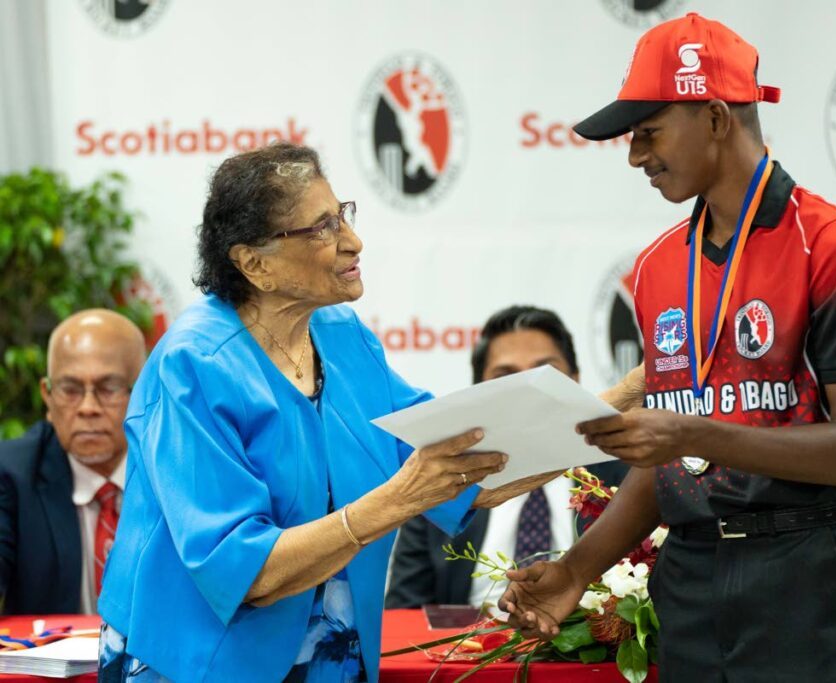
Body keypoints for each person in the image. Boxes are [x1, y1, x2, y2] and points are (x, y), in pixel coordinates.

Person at [500, 13, 836, 681]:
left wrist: (697, 431)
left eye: (648, 132)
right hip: (690, 581)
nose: (634, 155)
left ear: (715, 118)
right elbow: (669, 461)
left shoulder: (831, 245)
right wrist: (575, 568)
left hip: (806, 576)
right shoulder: (658, 267)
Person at [96, 142, 549, 683]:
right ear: (254, 264)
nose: (353, 241)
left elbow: (464, 465)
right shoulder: (192, 365)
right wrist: (399, 498)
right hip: (201, 663)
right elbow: (246, 573)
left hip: (331, 659)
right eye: (321, 229)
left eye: (343, 216)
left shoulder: (343, 336)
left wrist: (610, 411)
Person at [385, 305, 629, 609]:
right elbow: (404, 611)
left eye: (545, 374)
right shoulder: (445, 482)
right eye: (506, 377)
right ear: (479, 392)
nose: (527, 392)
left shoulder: (626, 477)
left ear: (575, 381)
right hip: (468, 650)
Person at [0, 309, 146, 615]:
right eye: (70, 390)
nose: (88, 408)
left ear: (144, 392)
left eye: (109, 388)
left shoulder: (179, 471)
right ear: (48, 397)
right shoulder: (11, 476)